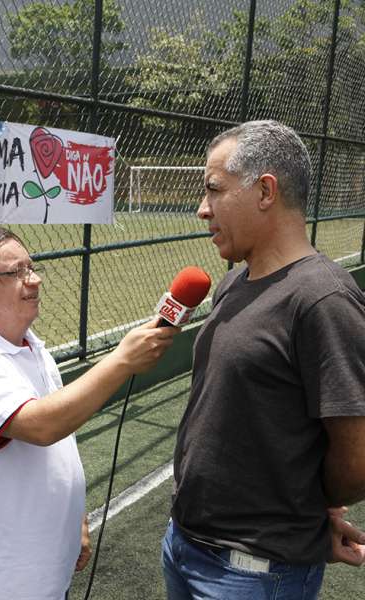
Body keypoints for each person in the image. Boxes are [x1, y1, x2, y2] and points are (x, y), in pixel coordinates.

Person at [162, 120, 365, 599]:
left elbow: (356, 460)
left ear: (266, 190)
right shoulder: (233, 284)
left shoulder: (324, 299)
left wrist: (308, 507)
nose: (201, 209)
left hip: (254, 573)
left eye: (214, 189)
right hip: (186, 545)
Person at [0, 227, 179, 600]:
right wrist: (123, 361)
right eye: (16, 273)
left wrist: (75, 518)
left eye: (31, 267)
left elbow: (61, 438)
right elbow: (44, 425)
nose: (35, 279)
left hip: (43, 575)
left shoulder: (31, 347)